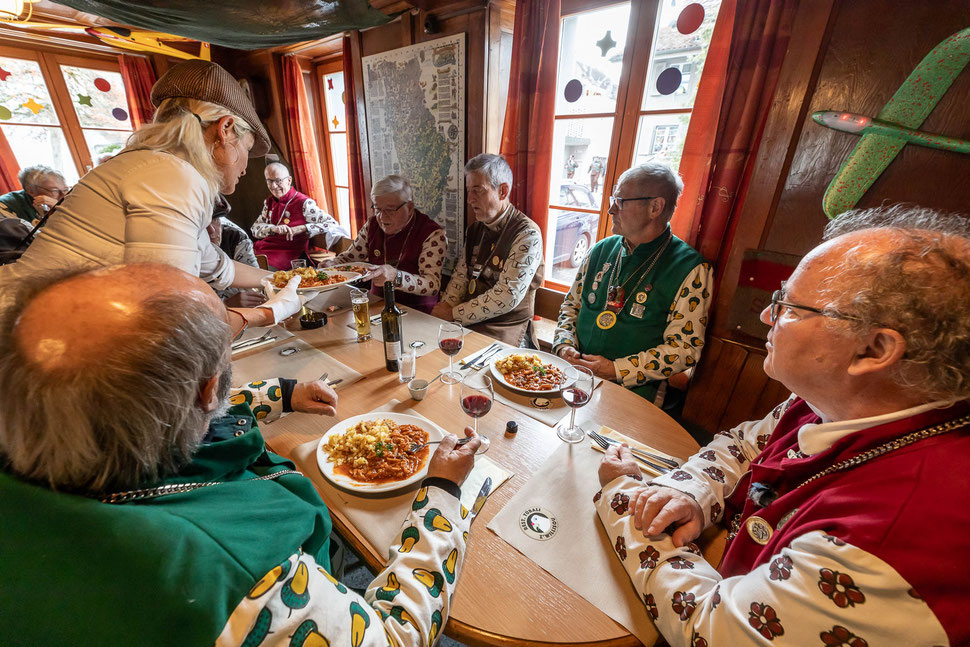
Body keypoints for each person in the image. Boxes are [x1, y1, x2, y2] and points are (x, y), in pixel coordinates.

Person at [0, 262, 482, 646]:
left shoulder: (45, 425)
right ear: (209, 391)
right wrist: (440, 492)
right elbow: (395, 635)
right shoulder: (244, 579)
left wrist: (281, 392)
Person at [594, 205, 970, 646]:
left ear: (873, 349)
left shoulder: (895, 538)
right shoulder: (841, 399)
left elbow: (712, 630)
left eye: (790, 306)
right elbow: (742, 445)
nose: (767, 318)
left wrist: (624, 496)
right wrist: (686, 494)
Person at [0, 59, 274, 315]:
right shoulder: (173, 175)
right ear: (225, 129)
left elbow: (214, 265)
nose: (246, 167)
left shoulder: (155, 166)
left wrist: (284, 280)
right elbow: (170, 305)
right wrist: (262, 315)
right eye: (247, 149)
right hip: (25, 328)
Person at [553, 162, 711, 407]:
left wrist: (617, 370)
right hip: (573, 376)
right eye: (612, 200)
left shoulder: (690, 268)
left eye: (620, 201)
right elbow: (570, 306)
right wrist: (564, 345)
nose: (611, 210)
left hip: (635, 395)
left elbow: (685, 349)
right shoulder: (600, 249)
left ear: (655, 207)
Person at [432, 154, 544, 346]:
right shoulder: (476, 228)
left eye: (478, 191)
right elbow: (461, 275)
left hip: (505, 329)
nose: (470, 199)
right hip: (468, 323)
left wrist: (453, 313)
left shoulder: (527, 233)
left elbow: (507, 296)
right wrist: (446, 305)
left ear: (502, 191)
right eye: (469, 191)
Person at [326, 174, 446, 313]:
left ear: (410, 207)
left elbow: (432, 285)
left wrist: (396, 277)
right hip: (377, 304)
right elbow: (349, 258)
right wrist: (332, 264)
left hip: (416, 311)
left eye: (390, 210)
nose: (382, 217)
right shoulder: (372, 226)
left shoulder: (432, 233)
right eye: (377, 209)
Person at [251, 162, 349, 270]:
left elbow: (331, 223)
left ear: (289, 180)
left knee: (256, 270)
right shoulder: (269, 202)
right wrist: (273, 228)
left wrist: (302, 228)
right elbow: (254, 228)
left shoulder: (304, 203)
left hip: (287, 254)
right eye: (269, 181)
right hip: (263, 248)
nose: (274, 186)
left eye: (278, 181)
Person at [208, 194, 265, 307]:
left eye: (215, 219)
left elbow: (253, 286)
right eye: (204, 223)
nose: (211, 230)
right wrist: (225, 304)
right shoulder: (186, 246)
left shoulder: (236, 238)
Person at [0, 165, 69, 225]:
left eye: (65, 189)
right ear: (31, 191)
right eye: (54, 191)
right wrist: (55, 211)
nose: (64, 195)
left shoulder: (68, 196)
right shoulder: (6, 206)